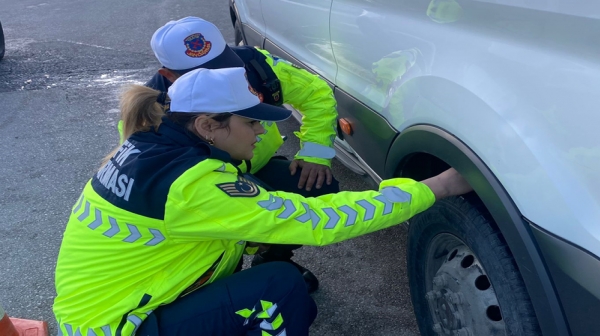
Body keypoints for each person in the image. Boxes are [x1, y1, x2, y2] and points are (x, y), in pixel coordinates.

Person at [53, 67, 472, 336]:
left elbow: (207, 230)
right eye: (250, 121)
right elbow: (321, 222)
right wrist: (435, 187)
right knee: (279, 286)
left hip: (108, 310)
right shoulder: (191, 184)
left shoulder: (154, 146)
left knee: (267, 264)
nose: (260, 132)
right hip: (119, 327)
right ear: (208, 126)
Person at [135, 17, 340, 290]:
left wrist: (314, 154)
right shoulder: (149, 110)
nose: (222, 78)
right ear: (168, 76)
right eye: (203, 73)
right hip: (202, 188)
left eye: (223, 66)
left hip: (255, 168)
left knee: (315, 186)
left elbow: (316, 94)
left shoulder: (258, 67)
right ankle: (219, 281)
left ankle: (273, 257)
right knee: (224, 235)